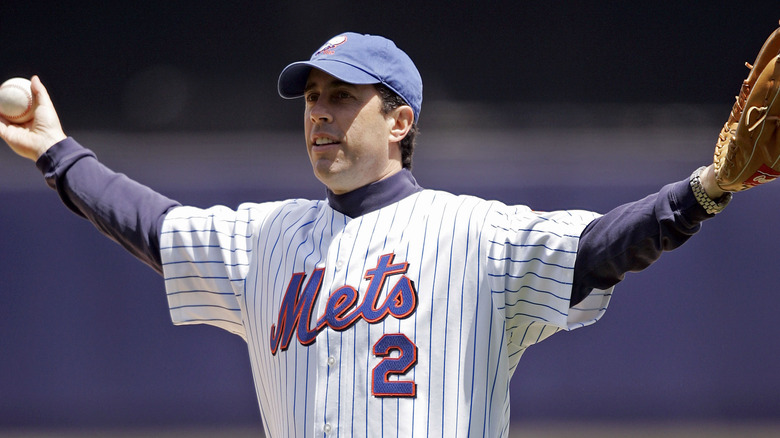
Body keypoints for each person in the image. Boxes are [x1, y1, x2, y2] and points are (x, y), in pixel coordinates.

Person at [0, 32, 732, 437]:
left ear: (400, 121)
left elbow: (603, 246)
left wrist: (702, 192)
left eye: (342, 98)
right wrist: (60, 154)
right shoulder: (267, 238)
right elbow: (152, 226)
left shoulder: (473, 233)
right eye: (313, 99)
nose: (319, 114)